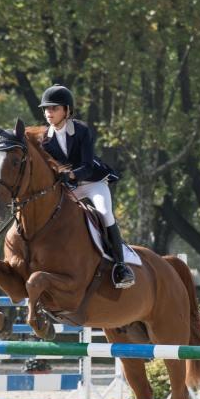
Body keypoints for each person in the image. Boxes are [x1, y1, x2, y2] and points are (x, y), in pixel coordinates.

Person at [38, 84, 134, 289]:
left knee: (105, 212)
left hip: (92, 183)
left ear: (66, 110)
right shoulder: (45, 140)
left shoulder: (81, 130)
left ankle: (120, 266)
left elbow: (88, 166)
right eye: (46, 109)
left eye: (54, 108)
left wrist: (71, 174)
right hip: (70, 188)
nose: (48, 113)